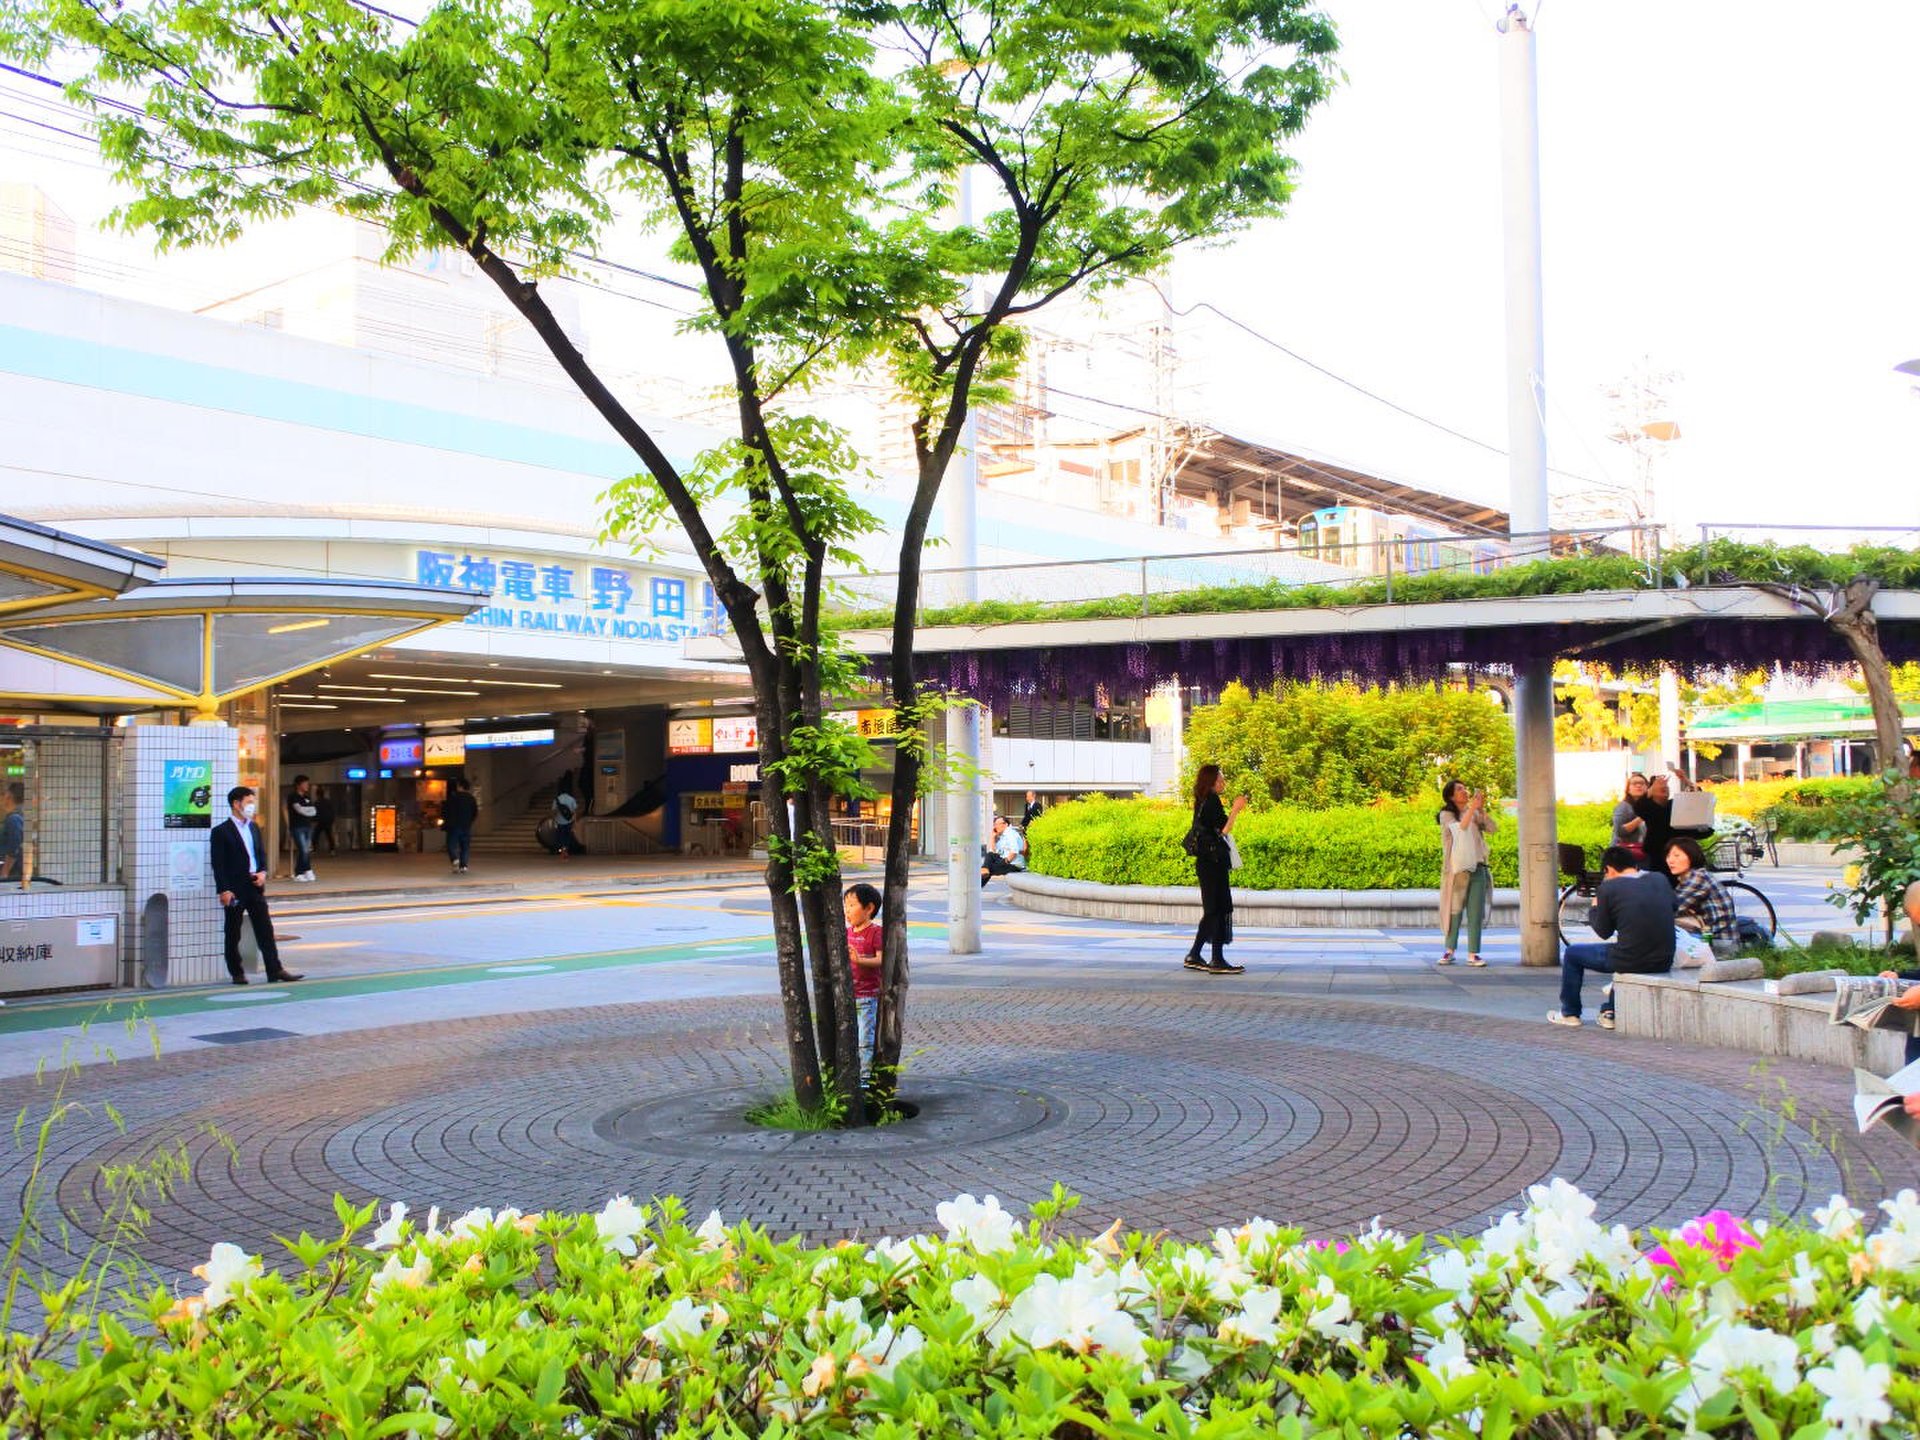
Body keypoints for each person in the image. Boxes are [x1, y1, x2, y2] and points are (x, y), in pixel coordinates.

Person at [1548, 845, 1674, 1030]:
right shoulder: (1659, 879)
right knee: (1627, 946)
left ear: (1609, 869)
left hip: (1630, 959)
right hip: (1664, 959)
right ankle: (1610, 1012)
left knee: (1573, 954)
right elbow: (1674, 906)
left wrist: (1594, 908)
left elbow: (1603, 931)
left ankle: (1570, 1013)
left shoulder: (1609, 888)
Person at [211, 786, 303, 986]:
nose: (252, 806)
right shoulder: (221, 832)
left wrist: (262, 872)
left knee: (265, 930)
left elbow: (260, 854)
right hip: (235, 888)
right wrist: (224, 889)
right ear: (236, 804)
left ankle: (275, 969)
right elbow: (218, 864)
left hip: (255, 885)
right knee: (233, 931)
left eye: (253, 802)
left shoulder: (253, 827)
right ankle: (237, 972)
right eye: (248, 802)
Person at [1183, 763, 1247, 975]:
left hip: (1207, 862)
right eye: (1219, 780)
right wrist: (1236, 809)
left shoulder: (1202, 800)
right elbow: (1224, 830)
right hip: (1212, 862)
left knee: (1213, 909)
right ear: (1210, 782)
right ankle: (1216, 959)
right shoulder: (1211, 800)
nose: (1223, 783)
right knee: (1216, 908)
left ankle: (1195, 955)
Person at [1437, 779, 1497, 967]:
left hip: (1477, 867)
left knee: (1475, 911)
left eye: (1465, 789)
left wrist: (1481, 811)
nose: (1465, 792)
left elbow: (1493, 829)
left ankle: (1473, 953)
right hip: (1457, 870)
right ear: (1451, 796)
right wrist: (1473, 809)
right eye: (1460, 789)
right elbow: (1460, 828)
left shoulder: (1475, 812)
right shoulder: (1446, 815)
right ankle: (1449, 950)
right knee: (1454, 911)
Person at [1667, 837, 1737, 956]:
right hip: (1719, 939)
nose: (1670, 861)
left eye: (1677, 856)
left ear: (1691, 856)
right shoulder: (1693, 876)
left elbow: (1671, 909)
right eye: (1668, 856)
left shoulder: (1697, 878)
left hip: (1719, 945)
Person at [844, 882, 884, 1085]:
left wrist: (860, 960)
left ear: (869, 908)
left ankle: (865, 1077)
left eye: (852, 905)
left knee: (864, 1039)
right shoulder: (847, 932)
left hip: (867, 996)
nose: (847, 910)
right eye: (846, 905)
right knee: (850, 1037)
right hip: (848, 994)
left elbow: (881, 960)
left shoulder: (875, 932)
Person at [285, 774, 318, 882]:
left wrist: (306, 811)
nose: (307, 786)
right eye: (305, 783)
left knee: (306, 850)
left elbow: (314, 811)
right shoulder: (293, 796)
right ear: (298, 785)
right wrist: (306, 810)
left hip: (307, 826)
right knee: (303, 849)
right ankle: (303, 871)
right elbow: (299, 809)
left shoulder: (307, 797)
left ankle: (303, 871)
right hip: (296, 826)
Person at [979, 815, 1026, 887]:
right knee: (990, 855)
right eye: (994, 824)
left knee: (988, 870)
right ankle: (984, 870)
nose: (995, 827)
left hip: (1014, 865)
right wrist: (993, 837)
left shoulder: (1010, 833)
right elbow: (994, 851)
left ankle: (977, 889)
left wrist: (1005, 861)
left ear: (1006, 824)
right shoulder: (1003, 836)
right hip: (1006, 861)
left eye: (997, 824)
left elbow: (1014, 851)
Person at [443, 776, 478, 874]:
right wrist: (469, 821)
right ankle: (464, 866)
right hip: (466, 826)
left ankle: (455, 859)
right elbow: (475, 813)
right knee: (465, 846)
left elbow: (446, 811)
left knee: (451, 845)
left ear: (460, 786)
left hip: (454, 826)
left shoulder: (453, 797)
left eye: (458, 785)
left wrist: (446, 822)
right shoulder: (471, 799)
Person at [1611, 773, 1649, 859]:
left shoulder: (1648, 805)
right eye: (1634, 783)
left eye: (1642, 783)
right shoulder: (1623, 806)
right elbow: (1620, 831)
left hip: (1641, 854)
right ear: (1628, 789)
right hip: (1622, 856)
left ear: (1647, 787)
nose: (1638, 785)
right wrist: (1641, 818)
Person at [0, 782, 23, 882]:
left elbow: (14, 847)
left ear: (9, 796)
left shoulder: (14, 819)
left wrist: (4, 872)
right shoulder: (17, 817)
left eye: (4, 794)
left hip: (12, 872)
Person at [551, 783, 580, 858]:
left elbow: (554, 811)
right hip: (569, 821)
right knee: (567, 837)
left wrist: (554, 820)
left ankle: (562, 851)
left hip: (559, 821)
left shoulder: (557, 799)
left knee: (560, 836)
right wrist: (575, 821)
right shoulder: (571, 799)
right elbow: (575, 811)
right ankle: (566, 850)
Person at [313, 788, 338, 856]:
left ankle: (314, 849)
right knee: (329, 836)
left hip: (321, 821)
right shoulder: (328, 802)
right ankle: (332, 850)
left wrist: (313, 820)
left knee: (315, 835)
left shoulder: (317, 802)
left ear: (317, 795)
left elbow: (315, 812)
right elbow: (332, 811)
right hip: (328, 821)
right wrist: (332, 820)